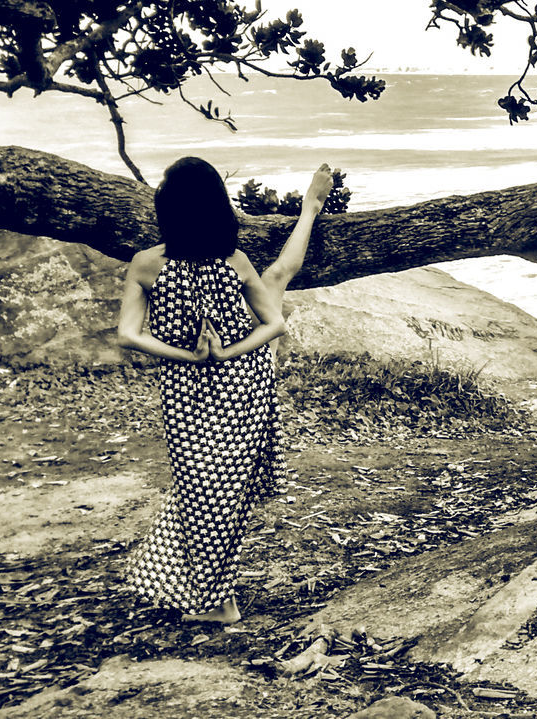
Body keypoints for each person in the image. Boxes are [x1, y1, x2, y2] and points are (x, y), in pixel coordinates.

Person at [116, 157, 332, 623]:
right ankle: (209, 594)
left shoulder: (147, 265)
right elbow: (274, 322)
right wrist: (230, 354)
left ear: (167, 209)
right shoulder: (234, 262)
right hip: (246, 381)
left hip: (189, 388)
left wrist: (189, 357)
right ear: (218, 206)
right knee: (214, 494)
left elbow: (128, 335)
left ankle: (219, 604)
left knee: (204, 492)